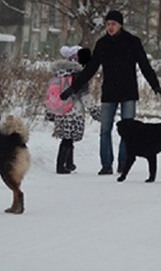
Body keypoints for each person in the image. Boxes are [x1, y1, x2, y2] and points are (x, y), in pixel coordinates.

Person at [60, 10, 161, 175]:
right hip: (109, 92)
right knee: (105, 130)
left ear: (120, 25)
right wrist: (73, 88)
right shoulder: (102, 44)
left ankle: (124, 162)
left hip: (128, 92)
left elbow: (145, 66)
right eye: (108, 24)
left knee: (129, 130)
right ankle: (106, 164)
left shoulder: (132, 42)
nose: (110, 27)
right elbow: (91, 68)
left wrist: (156, 86)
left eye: (113, 24)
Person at [47, 45, 97, 174]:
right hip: (74, 111)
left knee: (67, 138)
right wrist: (94, 110)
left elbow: (51, 94)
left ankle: (69, 163)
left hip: (60, 110)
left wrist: (50, 112)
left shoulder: (58, 73)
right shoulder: (80, 75)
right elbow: (85, 96)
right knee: (68, 139)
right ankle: (60, 166)